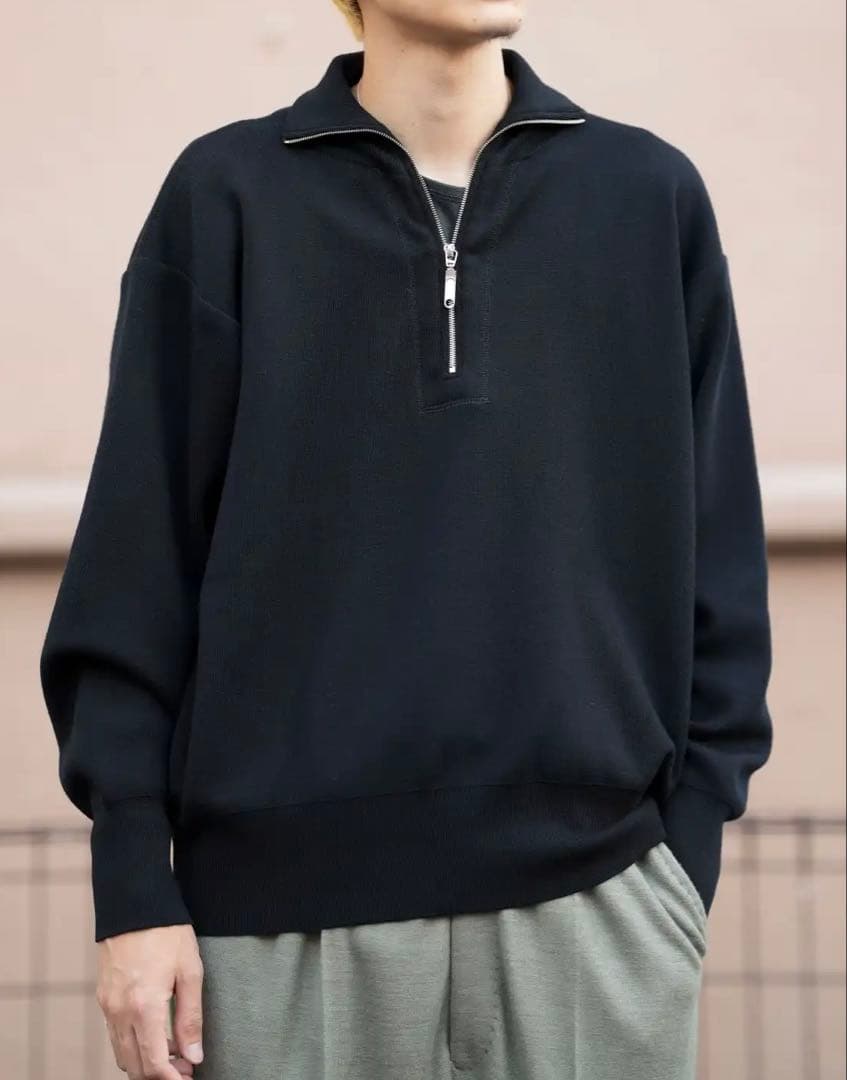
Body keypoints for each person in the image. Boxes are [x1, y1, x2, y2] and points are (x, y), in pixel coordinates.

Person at [39, 1, 774, 1077]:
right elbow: (136, 568)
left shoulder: (647, 197)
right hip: (281, 926)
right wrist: (134, 889)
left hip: (601, 908)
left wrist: (682, 864)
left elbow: (722, 557)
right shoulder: (227, 196)